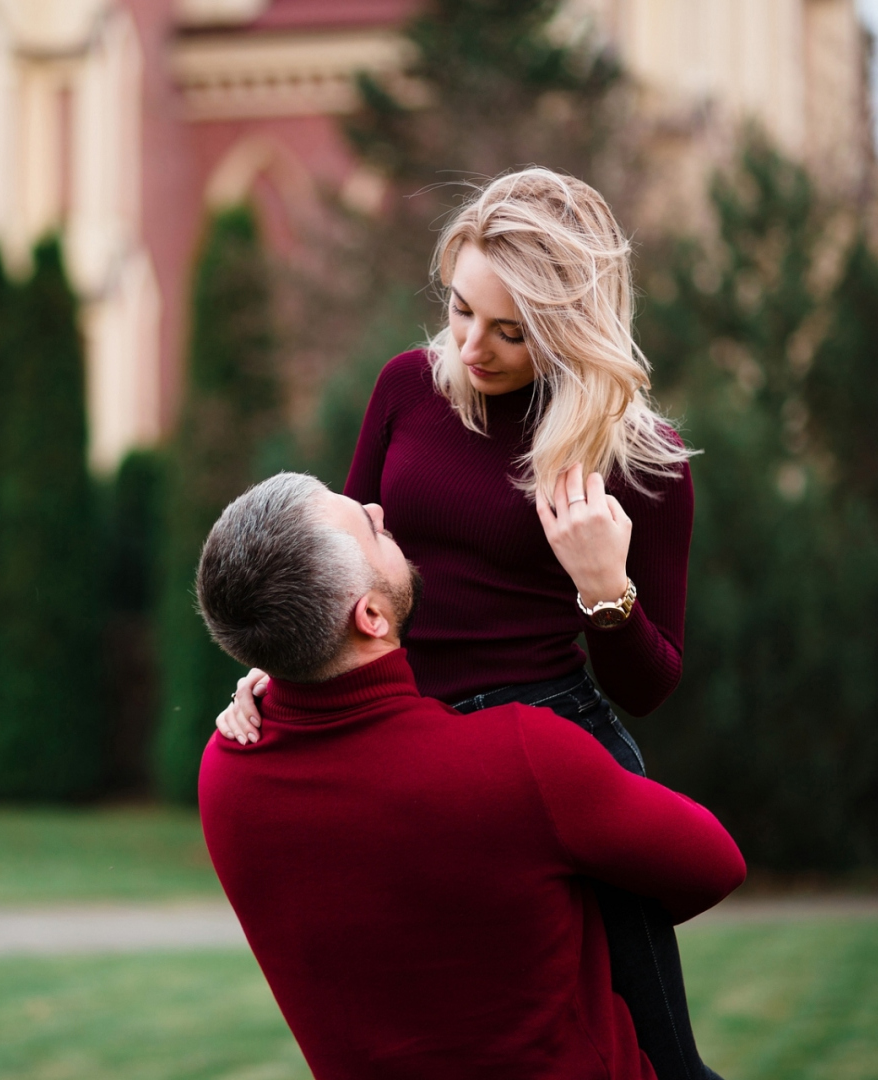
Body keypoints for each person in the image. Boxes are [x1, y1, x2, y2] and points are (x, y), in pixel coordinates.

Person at [216, 167, 715, 1078]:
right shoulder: (409, 387)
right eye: (458, 310)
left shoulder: (641, 459)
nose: (470, 347)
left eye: (509, 331)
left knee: (661, 1062)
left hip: (561, 748)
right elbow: (346, 564)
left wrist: (605, 589)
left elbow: (648, 685)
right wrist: (276, 672)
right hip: (410, 744)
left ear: (568, 329)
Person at [196, 472, 745, 1080]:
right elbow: (715, 864)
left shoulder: (225, 773)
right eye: (372, 529)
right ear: (371, 616)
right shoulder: (520, 760)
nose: (381, 508)